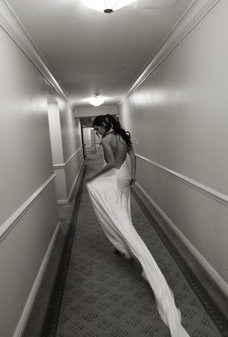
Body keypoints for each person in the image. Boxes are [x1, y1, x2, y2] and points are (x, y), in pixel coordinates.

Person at [86, 114, 189, 337]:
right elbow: (132, 155)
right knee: (123, 209)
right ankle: (122, 244)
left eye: (97, 128)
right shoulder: (123, 136)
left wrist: (93, 175)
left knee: (112, 211)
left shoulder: (106, 140)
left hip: (114, 176)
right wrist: (133, 176)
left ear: (105, 126)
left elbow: (111, 163)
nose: (96, 132)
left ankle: (127, 242)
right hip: (124, 177)